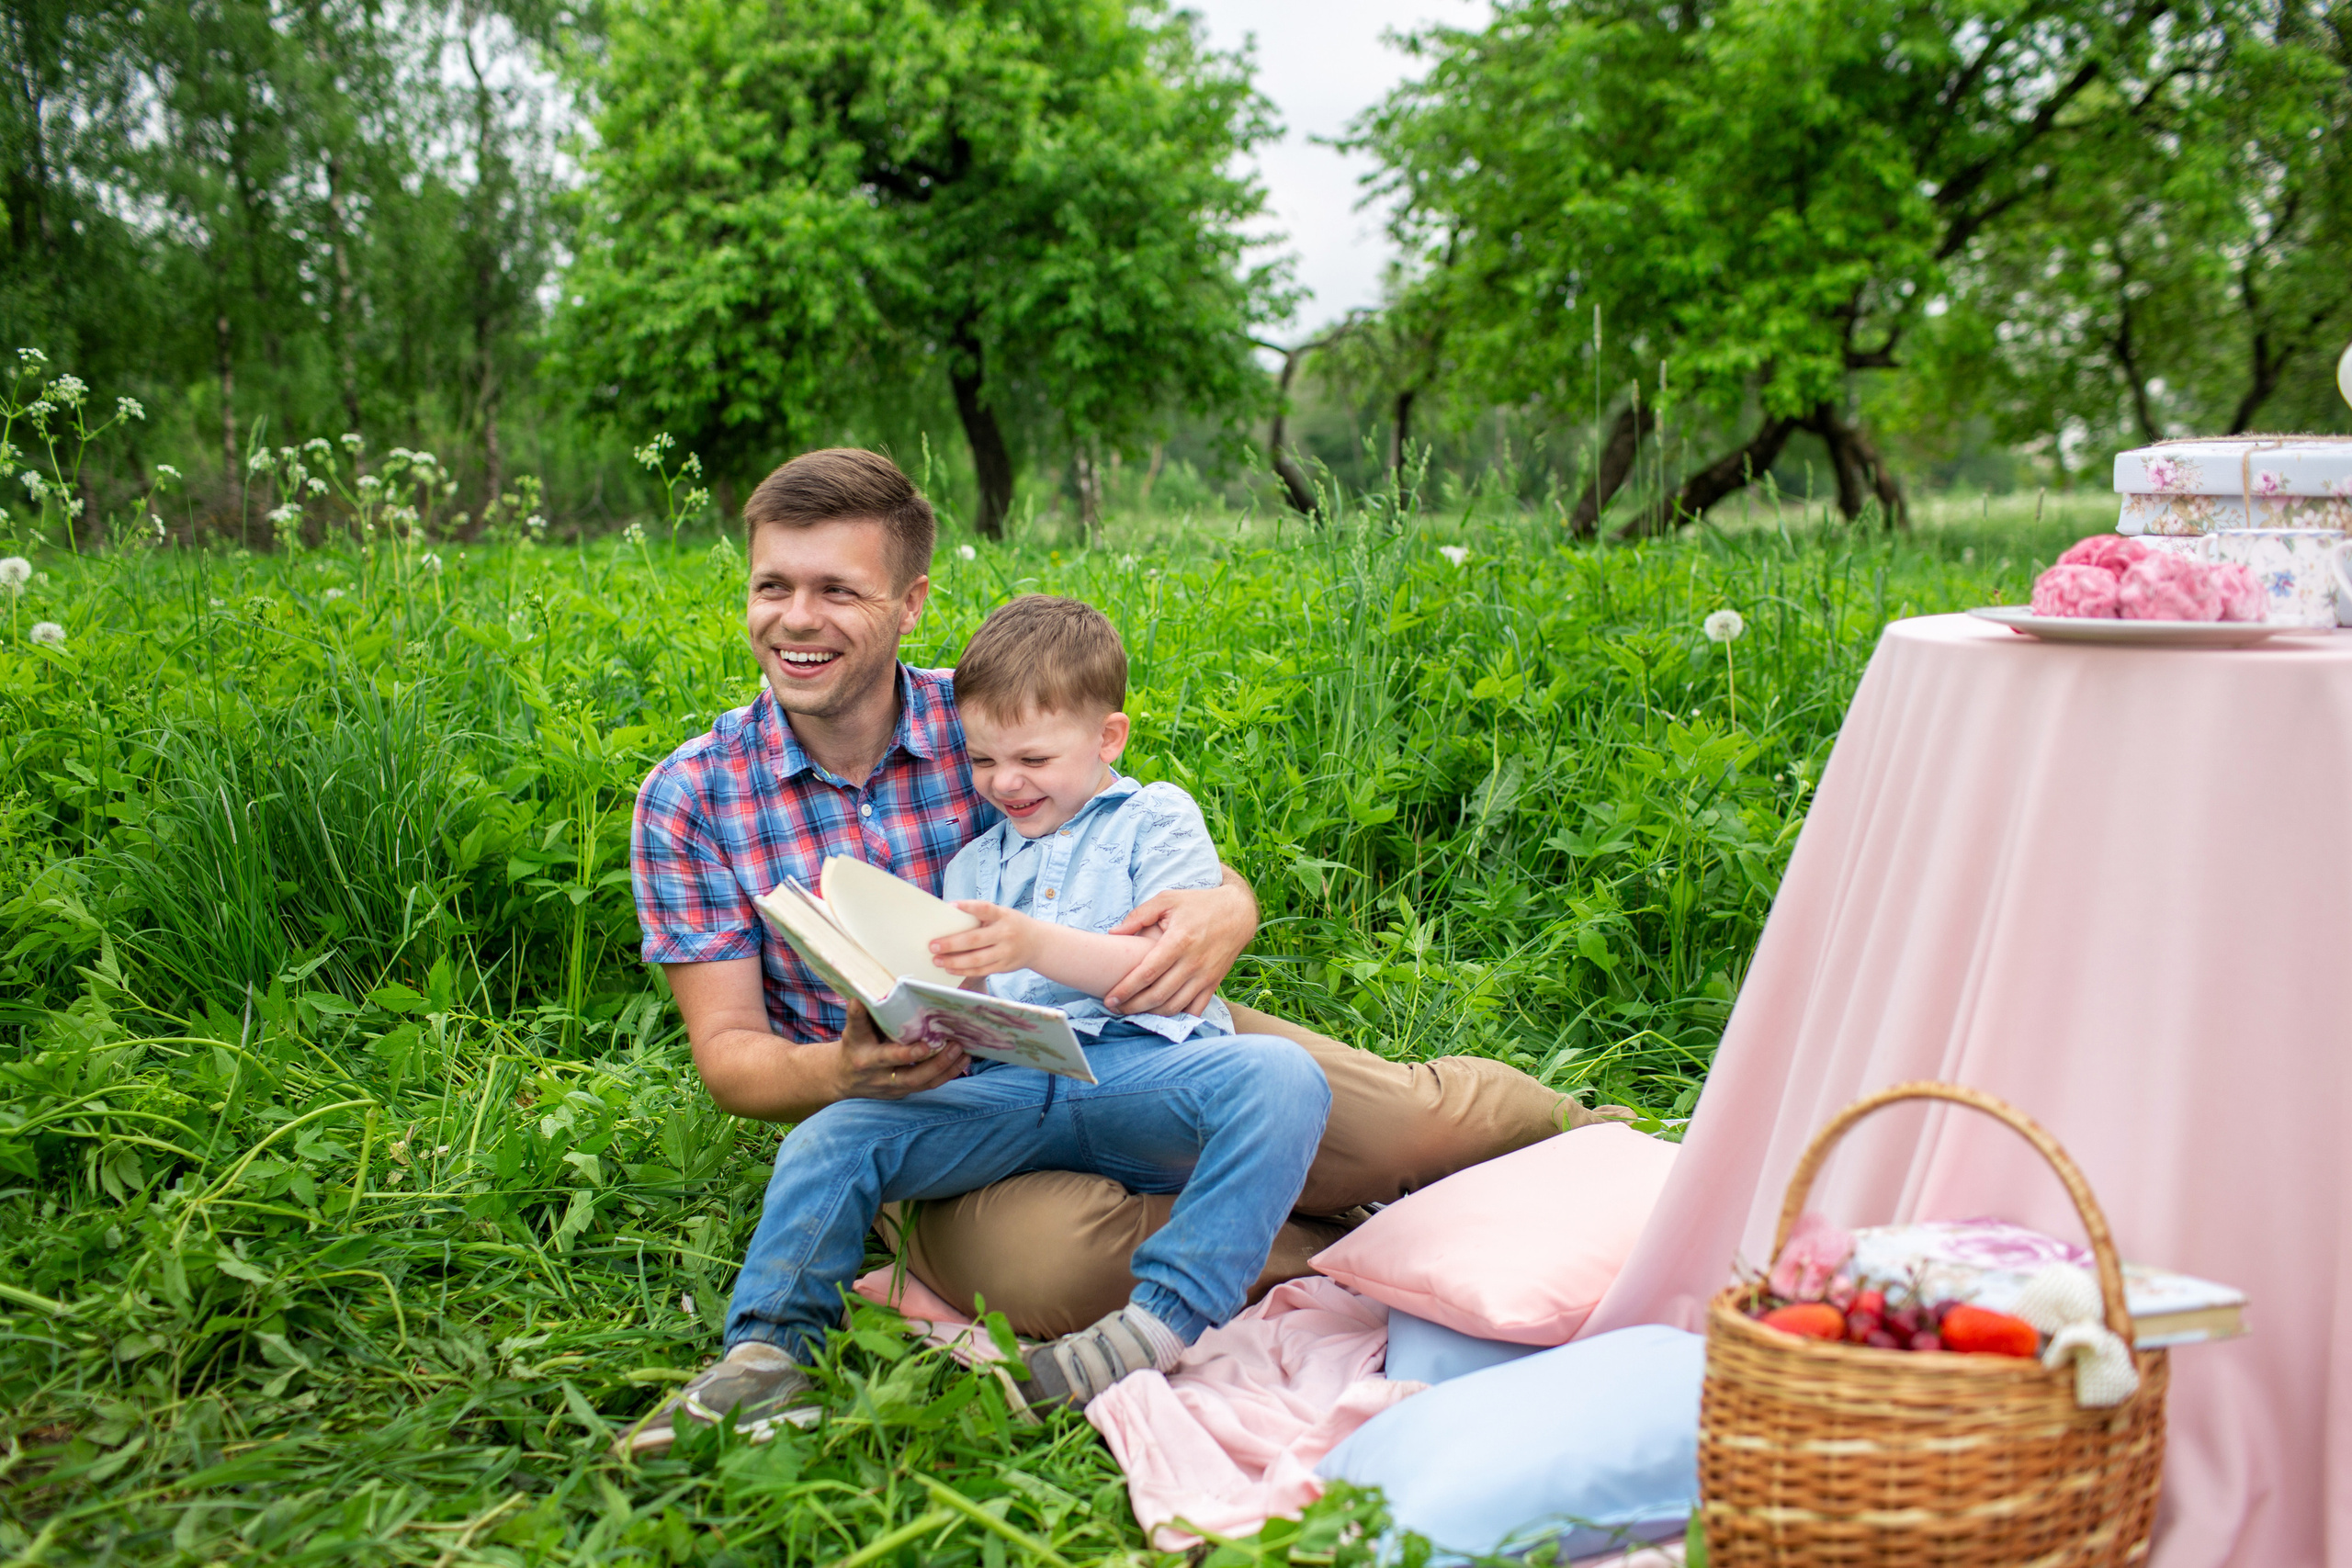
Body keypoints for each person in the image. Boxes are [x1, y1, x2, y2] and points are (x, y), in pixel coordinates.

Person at [622, 447, 1616, 1453]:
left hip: (1135, 1029)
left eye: (838, 589)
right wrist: (844, 1069)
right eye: (773, 586)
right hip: (945, 1098)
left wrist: (1231, 907)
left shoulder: (987, 711)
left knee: (1402, 1122)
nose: (797, 618)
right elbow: (732, 1058)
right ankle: (1366, 1246)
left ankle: (1603, 1139)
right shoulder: (692, 797)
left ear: (909, 602)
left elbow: (1141, 836)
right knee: (1049, 1276)